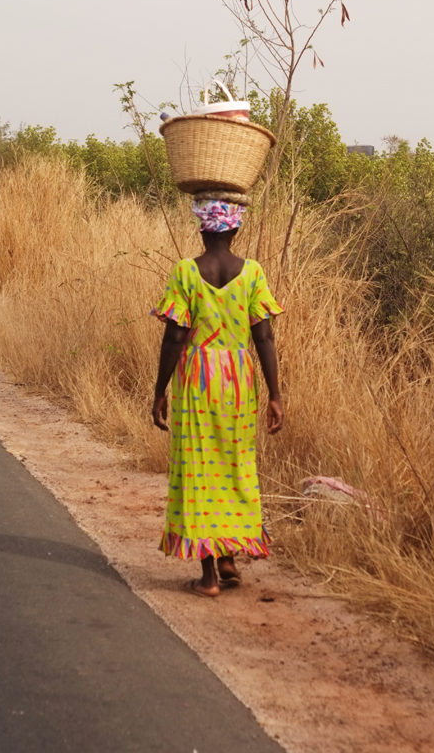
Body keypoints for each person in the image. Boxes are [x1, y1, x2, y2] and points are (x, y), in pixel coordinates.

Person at [150, 199, 284, 597]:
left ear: (203, 231)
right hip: (239, 380)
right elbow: (264, 337)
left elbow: (174, 337)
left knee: (199, 468)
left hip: (197, 380)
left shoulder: (186, 272)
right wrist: (275, 394)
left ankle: (209, 574)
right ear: (234, 232)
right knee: (235, 466)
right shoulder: (254, 272)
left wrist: (160, 391)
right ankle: (228, 556)